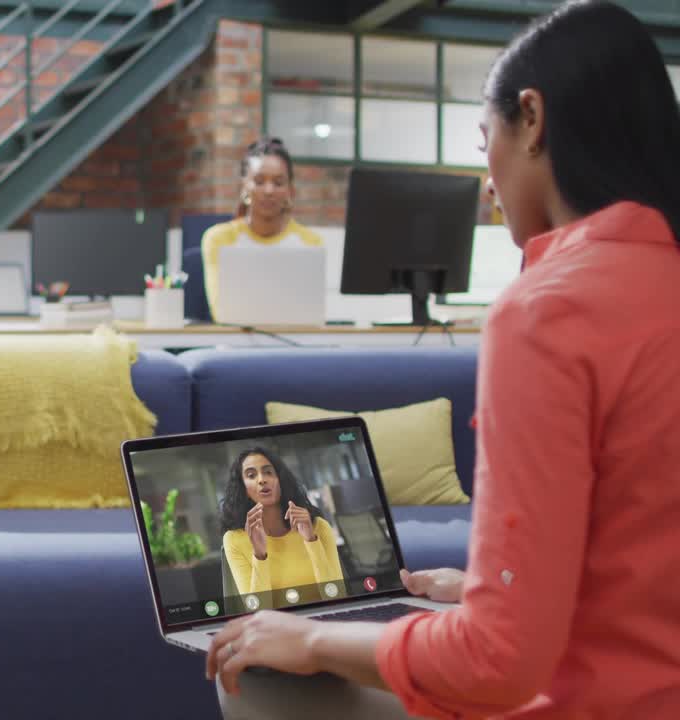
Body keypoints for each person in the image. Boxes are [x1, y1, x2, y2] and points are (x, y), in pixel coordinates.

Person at [205, 2, 680, 718]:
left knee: (257, 677)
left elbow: (496, 663)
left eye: (485, 139)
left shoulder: (544, 312)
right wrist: (507, 590)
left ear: (533, 119)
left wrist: (312, 641)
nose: (487, 182)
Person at [200, 137, 324, 314]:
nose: (269, 191)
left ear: (290, 189)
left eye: (278, 182)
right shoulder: (219, 239)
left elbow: (310, 313)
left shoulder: (310, 242)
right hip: (234, 340)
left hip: (293, 340)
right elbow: (220, 311)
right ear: (244, 186)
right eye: (259, 181)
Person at [220, 448, 342, 603]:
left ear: (281, 480)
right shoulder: (234, 539)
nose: (262, 480)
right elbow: (258, 611)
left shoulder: (319, 527)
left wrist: (311, 541)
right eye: (251, 475)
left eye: (268, 472)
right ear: (243, 489)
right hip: (275, 626)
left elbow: (338, 596)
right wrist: (259, 554)